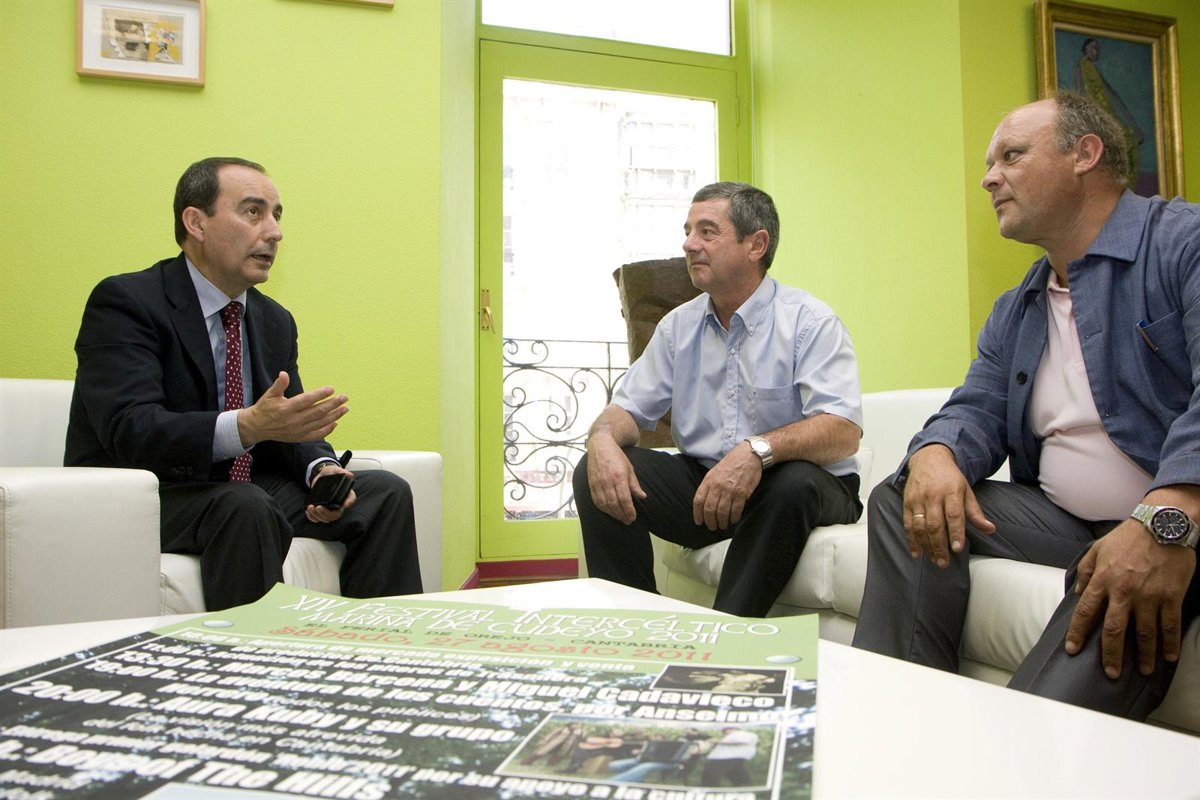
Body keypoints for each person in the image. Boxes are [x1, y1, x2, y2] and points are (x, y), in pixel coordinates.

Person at [852, 93, 1200, 721]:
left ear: (1084, 155)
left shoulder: (1183, 243)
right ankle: (904, 718)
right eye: (990, 164)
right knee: (908, 496)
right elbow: (975, 406)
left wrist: (1165, 518)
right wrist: (936, 451)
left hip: (1177, 519)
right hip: (1063, 521)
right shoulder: (1018, 305)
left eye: (1011, 156)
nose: (989, 178)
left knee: (1044, 709)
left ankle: (1017, 744)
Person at [65, 157, 424, 611]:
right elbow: (130, 429)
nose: (274, 232)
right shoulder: (127, 301)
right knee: (245, 505)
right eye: (254, 212)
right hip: (149, 493)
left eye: (277, 216)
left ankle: (377, 647)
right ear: (196, 222)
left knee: (385, 492)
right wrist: (246, 427)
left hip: (241, 491)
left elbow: (286, 420)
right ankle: (255, 655)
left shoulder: (274, 320)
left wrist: (321, 470)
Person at [573, 182, 863, 617]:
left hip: (805, 487)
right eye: (688, 231)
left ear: (756, 244)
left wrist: (757, 451)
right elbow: (626, 410)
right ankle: (634, 625)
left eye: (707, 232)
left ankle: (727, 632)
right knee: (596, 469)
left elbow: (842, 430)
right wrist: (601, 441)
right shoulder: (678, 327)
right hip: (710, 486)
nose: (689, 244)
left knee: (793, 482)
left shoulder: (810, 322)